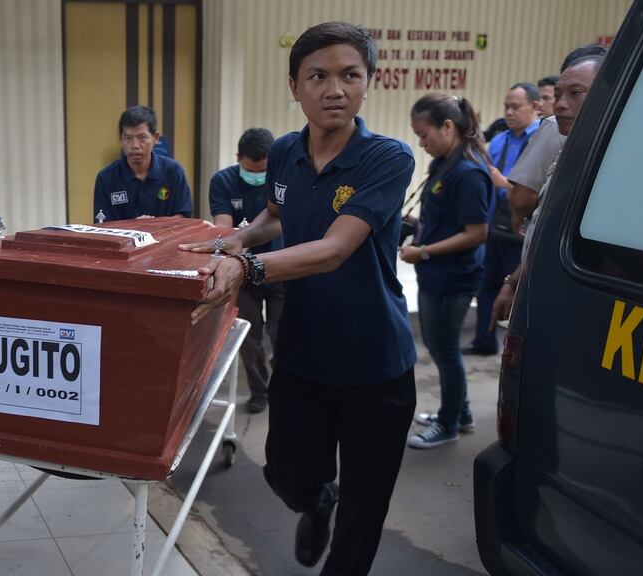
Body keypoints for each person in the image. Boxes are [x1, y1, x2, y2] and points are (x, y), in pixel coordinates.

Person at [181, 22, 417, 576]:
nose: (334, 89)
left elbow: (335, 248)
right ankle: (315, 503)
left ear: (367, 84)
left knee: (366, 509)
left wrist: (244, 264)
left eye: (349, 76)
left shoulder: (387, 158)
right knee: (287, 475)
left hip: (376, 364)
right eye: (318, 76)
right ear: (295, 86)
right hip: (305, 356)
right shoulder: (285, 152)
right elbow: (277, 214)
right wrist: (239, 236)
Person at [400, 94, 491, 449]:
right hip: (435, 272)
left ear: (448, 127)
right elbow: (444, 219)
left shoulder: (468, 173)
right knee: (442, 348)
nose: (422, 143)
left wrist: (423, 250)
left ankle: (449, 423)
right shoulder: (444, 164)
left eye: (425, 135)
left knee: (445, 350)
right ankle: (460, 412)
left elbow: (476, 233)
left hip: (454, 277)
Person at [492, 53, 605, 328]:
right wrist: (514, 281)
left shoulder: (615, 159)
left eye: (575, 93)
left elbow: (521, 202)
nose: (560, 105)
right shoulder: (567, 146)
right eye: (557, 95)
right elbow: (541, 229)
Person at [208, 128, 283, 414]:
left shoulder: (284, 180)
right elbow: (224, 230)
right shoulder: (224, 181)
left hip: (281, 267)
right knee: (249, 338)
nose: (258, 176)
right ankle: (258, 391)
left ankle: (284, 387)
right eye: (251, 170)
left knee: (284, 334)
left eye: (264, 171)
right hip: (242, 271)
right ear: (238, 158)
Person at [465, 82, 540, 356]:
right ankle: (484, 342)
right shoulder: (500, 139)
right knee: (486, 288)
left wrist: (506, 184)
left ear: (535, 107)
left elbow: (546, 189)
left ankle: (523, 352)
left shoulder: (543, 139)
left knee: (521, 294)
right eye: (506, 106)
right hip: (496, 227)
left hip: (525, 231)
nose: (509, 112)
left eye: (515, 106)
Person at [93, 106, 192, 222]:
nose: (135, 145)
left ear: (155, 138)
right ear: (120, 138)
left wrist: (152, 224)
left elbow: (184, 218)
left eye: (142, 138)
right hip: (123, 240)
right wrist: (136, 226)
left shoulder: (174, 172)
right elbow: (101, 225)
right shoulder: (106, 178)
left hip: (166, 240)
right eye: (128, 138)